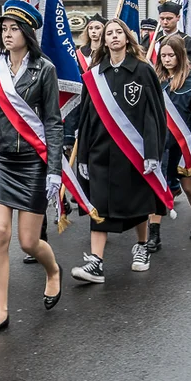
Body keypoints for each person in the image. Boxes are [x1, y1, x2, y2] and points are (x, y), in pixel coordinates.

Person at [0, 0, 63, 335]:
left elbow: (53, 123)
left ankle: (53, 271)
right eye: (4, 28)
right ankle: (0, 310)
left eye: (13, 29)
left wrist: (54, 168)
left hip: (32, 162)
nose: (6, 34)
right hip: (1, 159)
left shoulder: (45, 69)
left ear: (27, 33)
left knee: (28, 242)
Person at [72, 18, 167, 282]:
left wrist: (152, 152)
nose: (113, 36)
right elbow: (87, 117)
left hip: (134, 152)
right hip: (100, 151)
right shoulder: (94, 75)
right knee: (98, 206)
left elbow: (154, 115)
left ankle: (141, 247)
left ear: (127, 38)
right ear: (102, 41)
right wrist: (82, 156)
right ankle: (96, 262)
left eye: (118, 33)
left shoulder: (142, 71)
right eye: (108, 33)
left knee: (138, 203)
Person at [147, 33, 191, 249]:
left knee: (188, 186)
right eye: (163, 55)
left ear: (180, 56)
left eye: (171, 55)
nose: (167, 59)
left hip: (185, 144)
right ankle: (154, 235)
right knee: (157, 187)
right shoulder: (154, 80)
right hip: (160, 144)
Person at [156, 1, 191, 67]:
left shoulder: (187, 41)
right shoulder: (152, 39)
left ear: (178, 17)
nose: (165, 22)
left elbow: (188, 66)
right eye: (162, 18)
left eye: (169, 18)